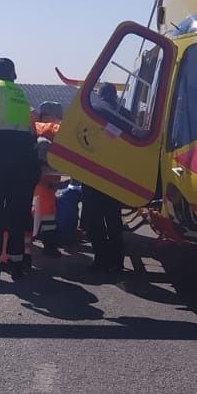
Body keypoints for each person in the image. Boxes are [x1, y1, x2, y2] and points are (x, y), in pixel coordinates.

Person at [0, 57, 38, 281]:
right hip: (24, 153)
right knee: (18, 210)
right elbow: (31, 124)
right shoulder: (20, 93)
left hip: (1, 151)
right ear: (14, 74)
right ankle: (17, 263)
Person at [80, 83, 125, 277]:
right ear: (114, 96)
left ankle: (100, 259)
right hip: (115, 173)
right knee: (113, 218)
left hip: (93, 172)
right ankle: (116, 262)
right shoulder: (125, 114)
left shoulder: (93, 110)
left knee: (94, 218)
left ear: (100, 95)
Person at [32, 102, 64, 256]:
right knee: (48, 212)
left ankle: (28, 238)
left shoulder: (32, 127)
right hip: (46, 180)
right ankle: (50, 245)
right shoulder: (57, 129)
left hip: (30, 177)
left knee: (31, 208)